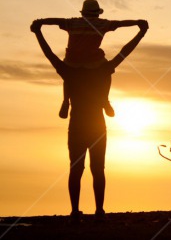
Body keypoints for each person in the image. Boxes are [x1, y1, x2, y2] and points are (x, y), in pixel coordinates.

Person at [30, 18, 149, 223]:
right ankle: (99, 211)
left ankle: (76, 212)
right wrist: (141, 32)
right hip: (96, 125)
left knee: (77, 169)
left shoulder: (69, 70)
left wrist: (38, 32)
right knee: (97, 169)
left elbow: (49, 53)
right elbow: (124, 51)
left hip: (77, 125)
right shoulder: (101, 69)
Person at [34, 0, 140, 119]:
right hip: (93, 61)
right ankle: (105, 100)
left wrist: (41, 22)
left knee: (68, 77)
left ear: (83, 13)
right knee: (107, 72)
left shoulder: (72, 22)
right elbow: (121, 23)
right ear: (97, 13)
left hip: (72, 60)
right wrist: (137, 22)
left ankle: (65, 101)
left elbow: (54, 20)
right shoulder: (102, 24)